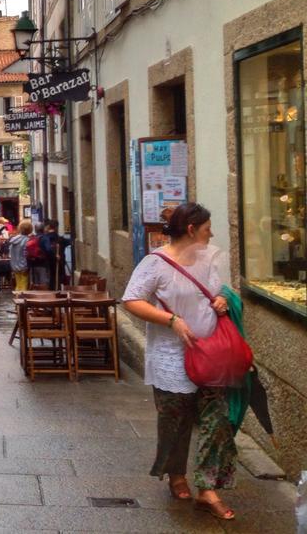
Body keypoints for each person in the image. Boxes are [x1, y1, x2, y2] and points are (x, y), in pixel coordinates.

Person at [122, 203, 238, 522]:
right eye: (206, 228)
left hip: (211, 355)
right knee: (176, 422)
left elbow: (220, 291)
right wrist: (171, 319)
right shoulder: (155, 263)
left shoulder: (208, 259)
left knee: (217, 422)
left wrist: (222, 299)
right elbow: (131, 300)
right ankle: (176, 474)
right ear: (191, 230)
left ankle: (207, 488)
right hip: (172, 359)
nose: (211, 233)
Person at [39, 219, 72, 289]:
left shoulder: (44, 238)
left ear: (48, 227)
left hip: (48, 264)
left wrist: (54, 256)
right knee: (59, 281)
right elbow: (70, 242)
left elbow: (47, 249)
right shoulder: (60, 239)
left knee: (51, 282)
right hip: (60, 263)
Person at [8, 220, 33, 291]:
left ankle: (17, 297)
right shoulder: (27, 240)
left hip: (14, 265)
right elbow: (26, 254)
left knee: (18, 284)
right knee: (24, 284)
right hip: (24, 265)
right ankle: (22, 298)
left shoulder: (13, 239)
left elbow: (10, 252)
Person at [27, 222, 50, 288]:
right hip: (43, 264)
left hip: (33, 264)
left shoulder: (32, 238)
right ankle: (43, 297)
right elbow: (48, 250)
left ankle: (35, 297)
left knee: (35, 285)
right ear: (43, 229)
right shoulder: (45, 238)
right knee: (43, 284)